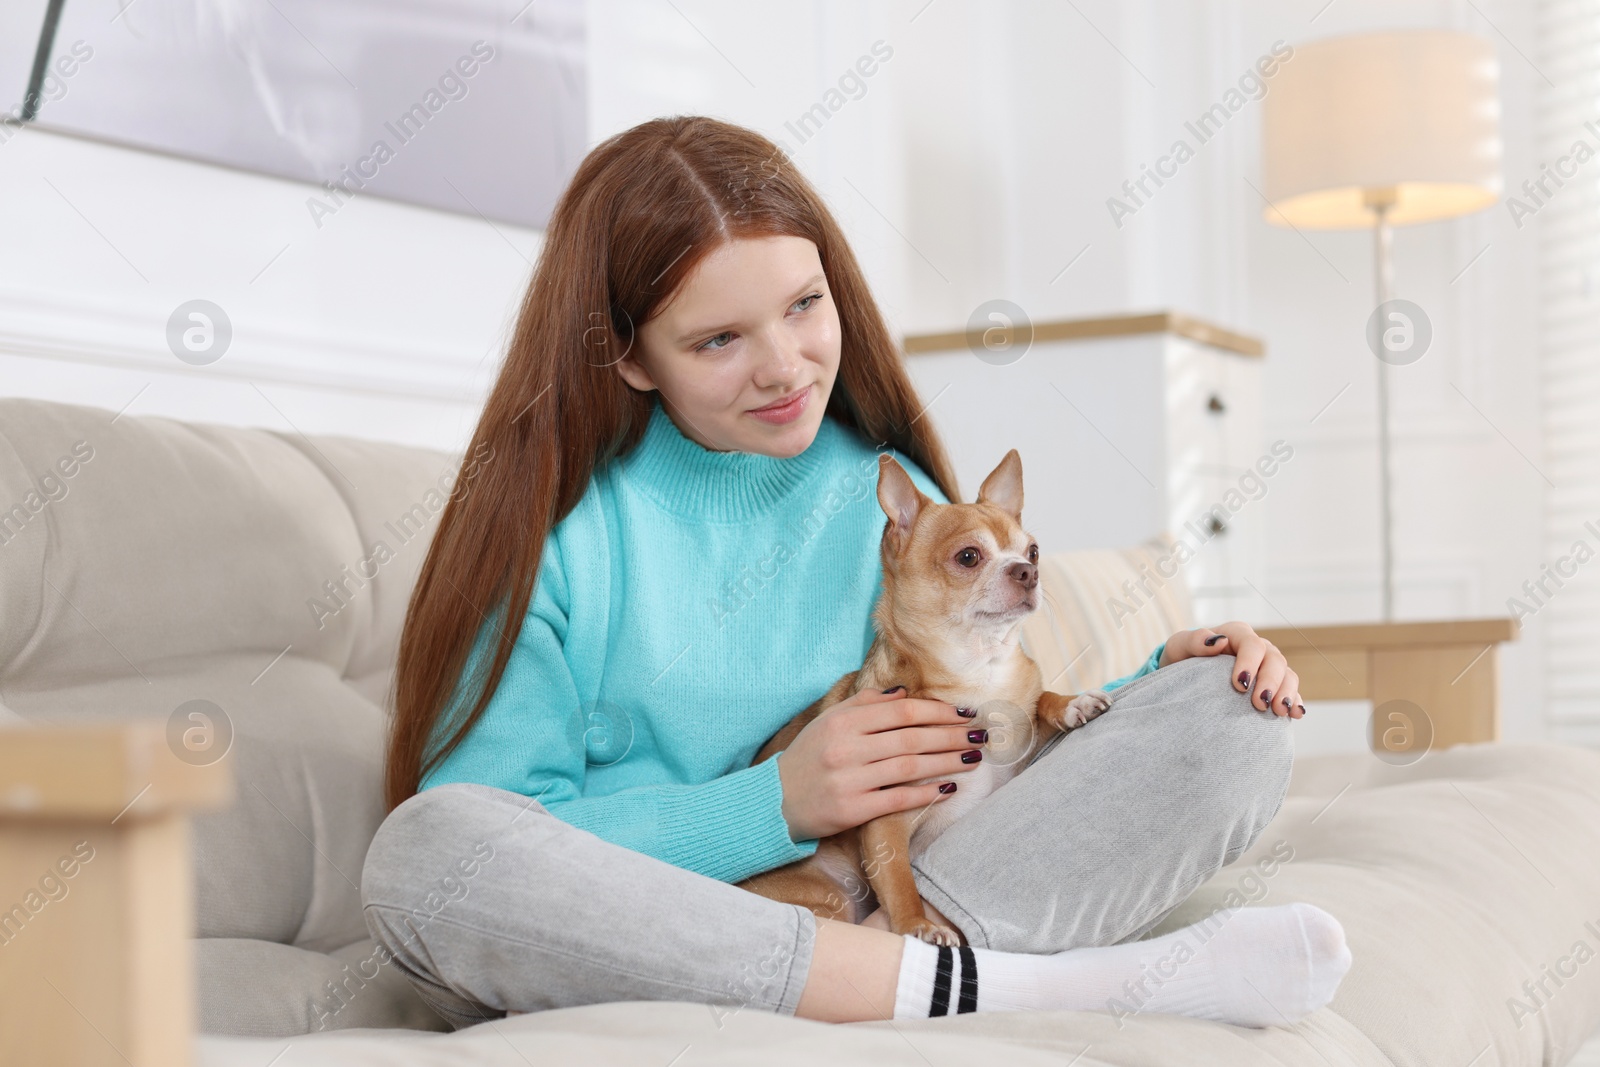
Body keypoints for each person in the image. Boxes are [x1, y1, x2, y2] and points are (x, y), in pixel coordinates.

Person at [361, 115, 1351, 1030]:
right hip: (662, 928)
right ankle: (1011, 986)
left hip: (911, 889)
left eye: (803, 306)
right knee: (426, 853)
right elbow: (497, 838)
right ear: (626, 356)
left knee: (1231, 716)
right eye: (718, 339)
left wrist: (1154, 683)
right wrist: (776, 801)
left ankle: (902, 978)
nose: (787, 367)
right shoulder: (553, 536)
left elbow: (985, 745)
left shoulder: (893, 493)